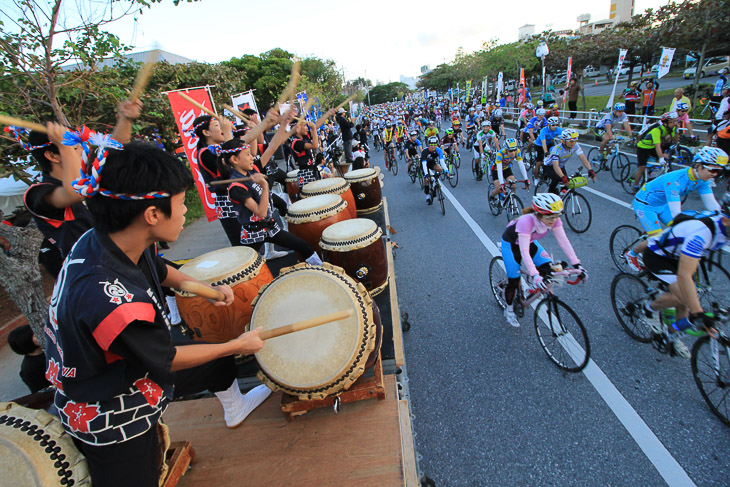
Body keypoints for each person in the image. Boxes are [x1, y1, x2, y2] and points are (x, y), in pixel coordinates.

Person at [43, 126, 271, 487]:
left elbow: (162, 271)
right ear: (151, 214)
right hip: (107, 408)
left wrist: (206, 290)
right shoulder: (105, 296)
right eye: (182, 204)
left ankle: (234, 406)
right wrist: (238, 345)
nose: (184, 212)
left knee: (214, 361)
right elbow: (166, 359)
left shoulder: (106, 237)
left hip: (129, 368)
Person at [21, 100, 140, 261]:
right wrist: (64, 146)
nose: (85, 150)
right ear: (53, 156)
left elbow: (115, 151)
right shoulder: (38, 194)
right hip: (97, 270)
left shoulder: (88, 175)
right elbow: (76, 192)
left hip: (127, 257)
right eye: (77, 147)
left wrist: (125, 119)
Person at [639, 195, 730, 358]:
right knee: (685, 297)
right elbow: (684, 276)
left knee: (687, 301)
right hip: (658, 256)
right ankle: (647, 310)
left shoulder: (723, 226)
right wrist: (699, 313)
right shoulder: (701, 234)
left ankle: (672, 335)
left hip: (680, 255)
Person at [624, 146, 728, 271]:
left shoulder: (703, 180)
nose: (715, 175)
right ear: (699, 165)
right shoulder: (675, 180)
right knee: (659, 237)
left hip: (663, 205)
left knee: (678, 234)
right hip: (645, 205)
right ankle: (631, 254)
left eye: (719, 172)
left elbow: (713, 206)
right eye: (713, 170)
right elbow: (676, 214)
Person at [499, 193, 585, 327]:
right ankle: (509, 310)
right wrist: (534, 274)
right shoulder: (526, 221)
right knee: (514, 282)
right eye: (549, 217)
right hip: (511, 245)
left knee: (549, 268)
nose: (553, 220)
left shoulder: (554, 219)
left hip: (530, 241)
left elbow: (564, 241)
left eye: (556, 216)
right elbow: (524, 251)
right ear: (538, 214)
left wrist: (577, 264)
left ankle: (532, 288)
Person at [630, 111, 680, 191]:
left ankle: (651, 173)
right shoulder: (656, 130)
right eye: (672, 122)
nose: (675, 123)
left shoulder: (672, 128)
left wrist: (677, 129)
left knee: (663, 157)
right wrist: (661, 158)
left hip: (652, 146)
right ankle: (635, 185)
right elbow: (657, 146)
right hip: (643, 147)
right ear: (666, 123)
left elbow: (675, 140)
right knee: (642, 167)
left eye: (676, 121)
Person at [542, 129, 595, 194]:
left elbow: (583, 159)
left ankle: (560, 196)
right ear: (563, 141)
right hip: (549, 167)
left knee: (568, 184)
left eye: (575, 141)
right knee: (558, 178)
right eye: (570, 141)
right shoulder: (556, 150)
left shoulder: (575, 146)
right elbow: (555, 166)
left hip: (560, 166)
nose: (573, 143)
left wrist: (590, 170)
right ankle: (550, 198)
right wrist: (563, 177)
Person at [8, 324, 51, 393]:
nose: (40, 334)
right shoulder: (29, 369)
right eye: (34, 335)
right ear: (26, 341)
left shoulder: (48, 350)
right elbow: (41, 392)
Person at [533, 116, 562, 182]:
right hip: (540, 144)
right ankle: (536, 177)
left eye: (556, 125)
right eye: (553, 125)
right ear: (549, 125)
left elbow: (562, 141)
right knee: (539, 162)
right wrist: (546, 152)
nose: (555, 127)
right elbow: (543, 143)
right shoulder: (543, 130)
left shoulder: (559, 129)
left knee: (553, 157)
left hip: (549, 143)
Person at [420, 136, 446, 205]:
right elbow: (424, 164)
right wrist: (426, 174)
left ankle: (435, 181)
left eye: (435, 144)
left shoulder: (439, 150)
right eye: (431, 144)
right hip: (424, 164)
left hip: (431, 162)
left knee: (439, 168)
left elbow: (442, 161)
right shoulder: (425, 152)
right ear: (428, 144)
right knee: (426, 179)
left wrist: (446, 170)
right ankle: (427, 196)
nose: (433, 146)